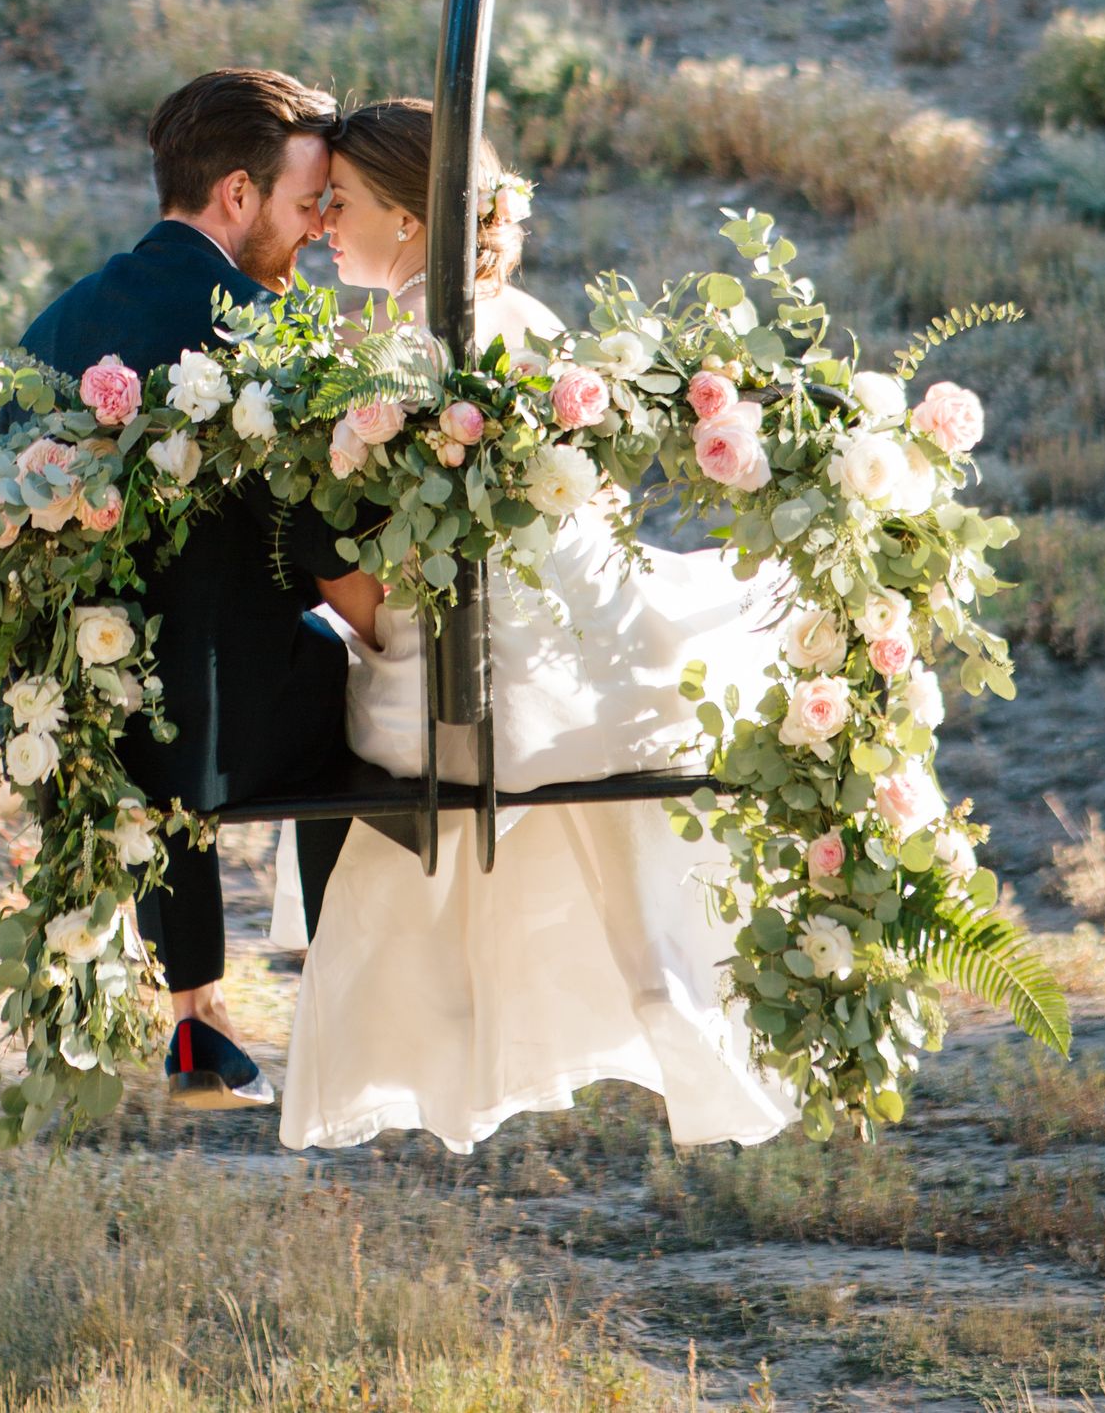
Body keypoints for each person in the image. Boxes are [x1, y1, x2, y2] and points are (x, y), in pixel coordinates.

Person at [275, 97, 797, 1157]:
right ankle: (662, 1008)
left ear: (410, 219)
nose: (325, 225)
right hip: (569, 673)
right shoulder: (528, 323)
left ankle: (442, 1038)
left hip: (461, 699)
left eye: (345, 204)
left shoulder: (400, 348)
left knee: (320, 684)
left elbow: (382, 560)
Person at [17, 66, 378, 1110]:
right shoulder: (253, 329)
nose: (315, 230)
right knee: (344, 687)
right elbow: (318, 531)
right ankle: (343, 1005)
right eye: (308, 203)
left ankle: (196, 1014)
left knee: (174, 657)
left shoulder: (62, 322)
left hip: (89, 720)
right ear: (236, 195)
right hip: (229, 719)